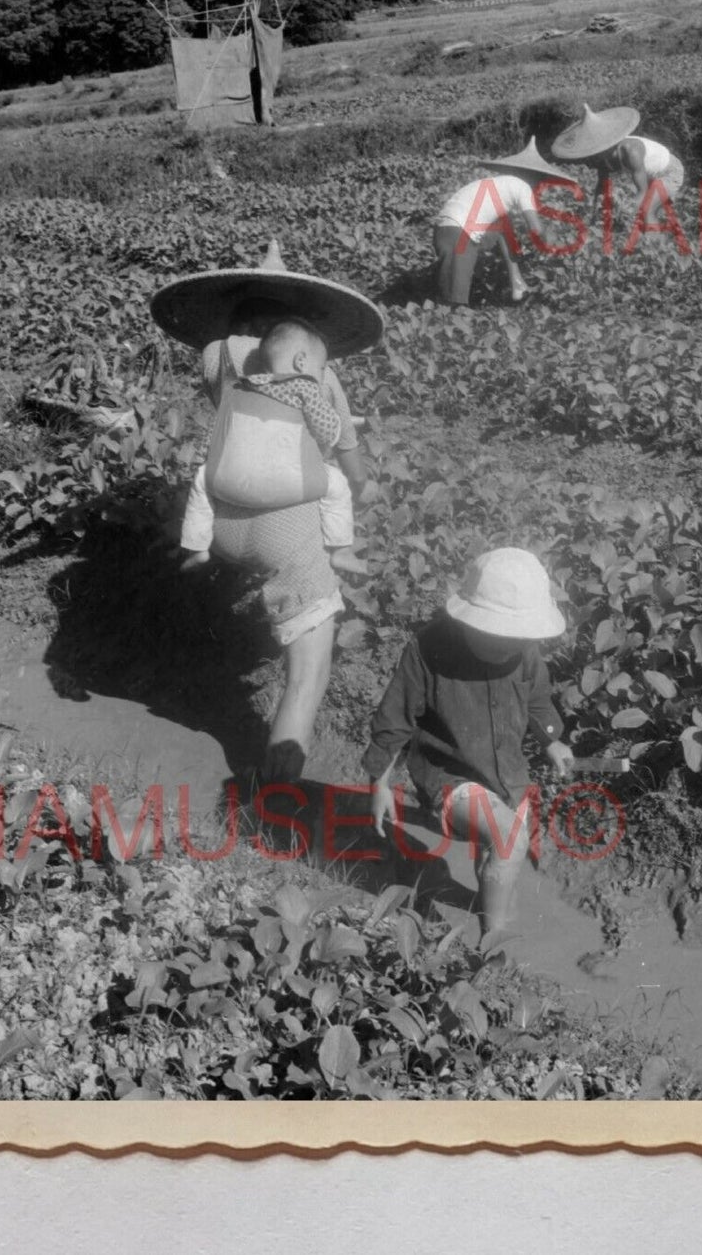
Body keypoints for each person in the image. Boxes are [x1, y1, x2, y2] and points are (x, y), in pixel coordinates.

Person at [150, 242, 384, 785]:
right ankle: (277, 790)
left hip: (225, 520)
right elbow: (342, 438)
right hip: (288, 531)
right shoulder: (314, 375)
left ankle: (196, 552)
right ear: (297, 318)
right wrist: (358, 480)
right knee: (309, 669)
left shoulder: (215, 356)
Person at [365, 548, 575, 936]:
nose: (508, 647)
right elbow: (396, 717)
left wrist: (552, 742)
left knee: (499, 859)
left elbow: (537, 700)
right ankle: (493, 941)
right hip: (449, 775)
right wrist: (380, 781)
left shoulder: (524, 652)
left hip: (508, 774)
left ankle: (488, 912)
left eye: (517, 639)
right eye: (497, 636)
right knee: (509, 839)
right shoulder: (428, 651)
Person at [179, 316, 370, 578]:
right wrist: (334, 426)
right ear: (301, 361)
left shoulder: (240, 385)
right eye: (322, 367)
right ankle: (341, 550)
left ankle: (197, 547)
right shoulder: (306, 387)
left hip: (229, 486)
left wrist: (210, 461)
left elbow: (219, 431)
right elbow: (328, 432)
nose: (323, 373)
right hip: (289, 487)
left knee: (201, 480)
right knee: (337, 484)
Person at [431, 139, 580, 306]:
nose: (541, 184)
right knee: (453, 302)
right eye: (541, 179)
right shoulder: (523, 187)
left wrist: (515, 275)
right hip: (458, 233)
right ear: (533, 175)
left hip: (445, 230)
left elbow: (506, 235)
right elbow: (536, 229)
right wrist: (554, 244)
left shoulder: (498, 185)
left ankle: (516, 282)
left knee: (504, 228)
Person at [550, 102, 685, 232]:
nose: (594, 154)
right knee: (638, 215)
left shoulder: (631, 151)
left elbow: (642, 191)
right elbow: (602, 187)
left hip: (669, 172)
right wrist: (593, 213)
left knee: (647, 210)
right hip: (649, 173)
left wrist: (624, 212)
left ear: (607, 144)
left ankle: (654, 251)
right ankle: (648, 241)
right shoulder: (603, 159)